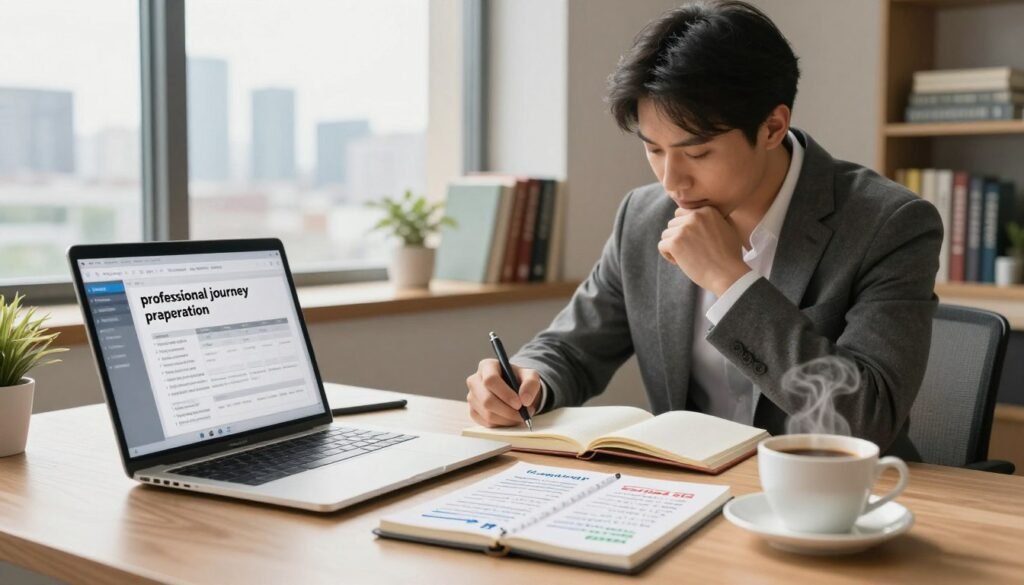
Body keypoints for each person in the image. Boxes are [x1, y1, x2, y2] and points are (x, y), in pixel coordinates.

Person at [465, 0, 940, 453]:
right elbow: (571, 349)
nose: (672, 181)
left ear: (773, 127)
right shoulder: (643, 216)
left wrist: (730, 282)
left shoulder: (890, 224)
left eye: (697, 153)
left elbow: (868, 418)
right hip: (689, 494)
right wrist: (527, 380)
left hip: (836, 503)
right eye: (653, 149)